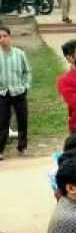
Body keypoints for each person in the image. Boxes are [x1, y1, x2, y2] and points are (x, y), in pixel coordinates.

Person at [0, 26, 31, 159]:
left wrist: (25, 87)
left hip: (18, 91)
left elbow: (27, 71)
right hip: (2, 93)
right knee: (2, 121)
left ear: (10, 37)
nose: (2, 39)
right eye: (0, 37)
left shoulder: (19, 54)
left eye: (4, 36)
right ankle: (0, 150)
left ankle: (22, 147)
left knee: (22, 120)